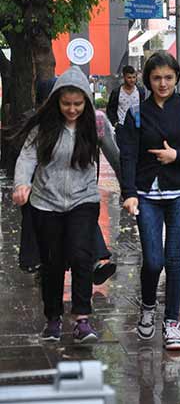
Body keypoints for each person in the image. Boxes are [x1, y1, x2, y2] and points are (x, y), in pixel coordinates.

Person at [13, 66, 121, 343]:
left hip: (83, 200)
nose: (72, 109)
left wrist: (131, 190)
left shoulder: (95, 124)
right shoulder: (43, 127)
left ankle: (82, 319)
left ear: (86, 100)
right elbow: (26, 158)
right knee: (52, 263)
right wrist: (22, 184)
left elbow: (117, 155)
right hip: (45, 203)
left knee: (82, 257)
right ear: (56, 101)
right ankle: (53, 318)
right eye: (66, 104)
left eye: (77, 104)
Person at [118, 51, 180, 352]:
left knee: (174, 260)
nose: (162, 83)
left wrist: (176, 156)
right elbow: (128, 156)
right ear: (148, 79)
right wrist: (129, 192)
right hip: (147, 195)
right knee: (153, 260)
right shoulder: (136, 113)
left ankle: (172, 322)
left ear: (176, 78)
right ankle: (147, 306)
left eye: (168, 77)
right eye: (157, 78)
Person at [107, 66, 146, 130]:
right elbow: (110, 109)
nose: (132, 80)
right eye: (129, 77)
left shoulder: (140, 91)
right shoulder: (117, 92)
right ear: (124, 77)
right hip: (121, 126)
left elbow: (143, 107)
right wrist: (115, 123)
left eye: (134, 77)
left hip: (137, 126)